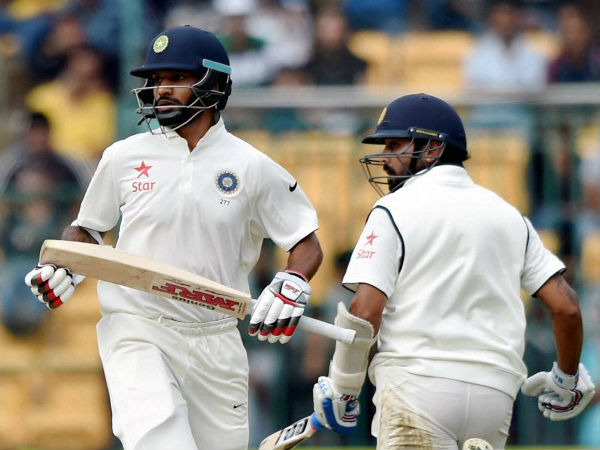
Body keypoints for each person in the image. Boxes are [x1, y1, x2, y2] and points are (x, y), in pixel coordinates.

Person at [23, 25, 323, 450]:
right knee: (161, 437)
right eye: (157, 79)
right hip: (138, 327)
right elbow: (88, 228)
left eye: (177, 78)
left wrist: (292, 281)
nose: (162, 89)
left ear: (216, 85)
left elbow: (305, 241)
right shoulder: (123, 156)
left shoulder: (252, 166)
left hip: (217, 337)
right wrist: (66, 262)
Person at [310, 93, 595, 449]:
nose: (384, 159)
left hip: (416, 386)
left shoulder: (392, 209)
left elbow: (365, 312)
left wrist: (343, 387)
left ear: (432, 149)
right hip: (494, 395)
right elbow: (566, 306)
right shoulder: (509, 216)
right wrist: (567, 380)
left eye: (395, 145)